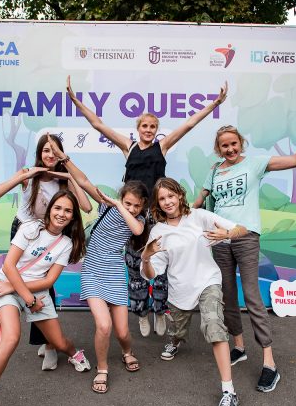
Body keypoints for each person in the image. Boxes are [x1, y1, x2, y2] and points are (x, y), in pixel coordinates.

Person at [67, 76, 228, 338]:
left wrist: (214, 104)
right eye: (145, 125)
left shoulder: (161, 147)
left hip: (156, 215)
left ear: (156, 130)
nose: (149, 129)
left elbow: (189, 124)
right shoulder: (128, 147)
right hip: (132, 215)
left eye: (153, 126)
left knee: (162, 262)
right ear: (138, 127)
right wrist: (76, 100)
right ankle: (141, 312)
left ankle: (159, 309)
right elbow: (97, 123)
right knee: (135, 265)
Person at [192, 110, 296, 393]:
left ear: (241, 143)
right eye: (224, 146)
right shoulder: (214, 171)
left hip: (245, 237)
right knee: (227, 296)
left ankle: (269, 363)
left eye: (233, 144)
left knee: (253, 297)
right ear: (218, 149)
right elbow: (199, 203)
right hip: (219, 240)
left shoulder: (255, 164)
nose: (229, 149)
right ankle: (239, 348)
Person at [0, 190, 91, 406]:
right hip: (8, 286)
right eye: (58, 208)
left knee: (59, 342)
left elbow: (50, 279)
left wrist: (27, 296)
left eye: (68, 210)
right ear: (50, 208)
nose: (61, 214)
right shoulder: (30, 228)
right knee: (11, 338)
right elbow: (9, 266)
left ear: (73, 216)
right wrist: (22, 295)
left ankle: (74, 353)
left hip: (34, 290)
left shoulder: (66, 244)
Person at [45, 135, 147, 394]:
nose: (132, 208)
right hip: (92, 271)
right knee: (104, 325)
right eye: (128, 203)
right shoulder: (104, 207)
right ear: (121, 197)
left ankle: (127, 351)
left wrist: (119, 206)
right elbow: (83, 180)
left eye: (137, 205)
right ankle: (102, 369)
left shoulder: (138, 220)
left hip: (115, 274)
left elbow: (135, 230)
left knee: (123, 332)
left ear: (143, 207)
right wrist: (63, 158)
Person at [141, 177, 248, 406]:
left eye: (171, 195)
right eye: (162, 198)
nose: (168, 201)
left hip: (208, 281)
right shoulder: (158, 232)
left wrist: (227, 233)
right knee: (179, 329)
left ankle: (229, 391)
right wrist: (146, 257)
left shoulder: (199, 216)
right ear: (157, 204)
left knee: (214, 326)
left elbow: (242, 229)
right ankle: (176, 341)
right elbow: (150, 274)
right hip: (179, 290)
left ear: (180, 195)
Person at [0, 134, 92, 370]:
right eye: (46, 150)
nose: (50, 155)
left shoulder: (64, 182)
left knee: (46, 288)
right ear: (39, 153)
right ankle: (45, 339)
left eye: (55, 150)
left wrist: (66, 174)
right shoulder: (29, 175)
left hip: (51, 234)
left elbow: (86, 206)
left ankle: (51, 344)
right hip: (26, 231)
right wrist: (23, 175)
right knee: (22, 278)